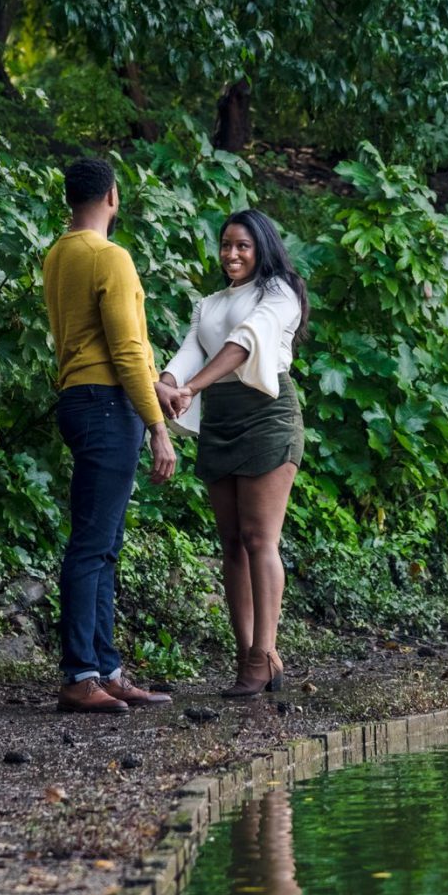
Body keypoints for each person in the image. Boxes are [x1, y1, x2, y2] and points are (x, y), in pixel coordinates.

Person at [41, 155, 178, 715]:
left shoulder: (58, 254)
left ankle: (105, 668)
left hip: (79, 397)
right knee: (94, 544)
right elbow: (124, 349)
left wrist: (154, 387)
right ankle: (80, 675)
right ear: (113, 197)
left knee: (104, 545)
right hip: (106, 405)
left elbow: (103, 344)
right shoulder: (110, 257)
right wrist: (158, 426)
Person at [157, 210, 307, 700]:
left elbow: (244, 344)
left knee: (259, 537)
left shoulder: (279, 292)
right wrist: (167, 383)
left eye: (242, 245)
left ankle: (264, 653)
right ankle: (248, 653)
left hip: (267, 414)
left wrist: (191, 386)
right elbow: (189, 353)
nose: (232, 254)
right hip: (220, 419)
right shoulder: (209, 303)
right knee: (230, 543)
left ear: (261, 247)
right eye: (225, 245)